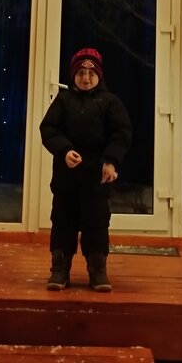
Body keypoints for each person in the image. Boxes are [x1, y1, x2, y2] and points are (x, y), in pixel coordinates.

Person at [39, 47, 132, 292]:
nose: (86, 78)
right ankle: (60, 268)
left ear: (99, 75)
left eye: (91, 73)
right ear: (73, 75)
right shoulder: (63, 100)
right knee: (62, 221)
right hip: (66, 176)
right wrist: (64, 150)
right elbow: (48, 129)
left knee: (97, 223)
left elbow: (121, 134)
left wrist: (111, 161)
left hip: (96, 177)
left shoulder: (110, 102)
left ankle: (97, 268)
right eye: (81, 72)